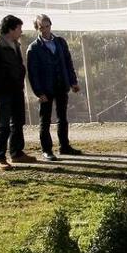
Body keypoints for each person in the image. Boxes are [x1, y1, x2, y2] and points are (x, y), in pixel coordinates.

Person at [0, 15, 36, 170]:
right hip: (3, 91)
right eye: (19, 28)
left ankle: (17, 153)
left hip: (16, 89)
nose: (21, 31)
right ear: (11, 29)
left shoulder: (14, 44)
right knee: (3, 124)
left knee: (18, 121)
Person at [25, 14, 82, 161]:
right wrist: (39, 92)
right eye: (41, 27)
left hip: (61, 85)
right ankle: (46, 150)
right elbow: (33, 73)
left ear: (51, 25)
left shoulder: (60, 42)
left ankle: (65, 146)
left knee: (62, 117)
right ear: (37, 28)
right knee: (45, 120)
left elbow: (68, 63)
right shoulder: (34, 48)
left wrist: (73, 81)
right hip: (46, 89)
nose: (44, 29)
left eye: (46, 26)